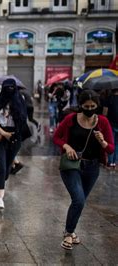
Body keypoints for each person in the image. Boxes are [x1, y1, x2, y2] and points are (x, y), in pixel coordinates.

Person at [53, 90, 114, 250]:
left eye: (93, 106)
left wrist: (103, 142)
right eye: (86, 106)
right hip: (71, 166)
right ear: (81, 105)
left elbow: (111, 149)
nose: (89, 109)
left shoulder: (103, 122)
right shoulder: (70, 119)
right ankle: (68, 234)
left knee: (79, 202)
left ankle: (70, 231)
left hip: (92, 168)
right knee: (78, 200)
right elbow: (56, 137)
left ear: (97, 106)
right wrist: (66, 146)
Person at [0, 79, 29, 210]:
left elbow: (24, 120)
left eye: (11, 88)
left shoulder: (20, 102)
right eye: (7, 88)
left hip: (15, 137)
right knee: (1, 167)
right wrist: (3, 133)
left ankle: (5, 177)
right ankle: (0, 198)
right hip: (0, 136)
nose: (9, 90)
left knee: (6, 169)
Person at [103, 88, 118, 168]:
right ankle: (114, 162)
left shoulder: (108, 99)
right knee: (117, 144)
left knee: (110, 143)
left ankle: (110, 161)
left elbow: (104, 113)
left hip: (111, 124)